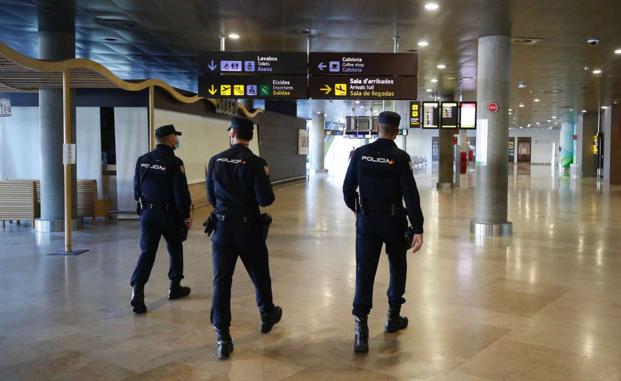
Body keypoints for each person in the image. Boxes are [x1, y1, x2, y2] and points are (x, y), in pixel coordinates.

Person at [342, 111, 424, 354]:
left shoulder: (360, 154)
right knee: (397, 266)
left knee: (364, 271)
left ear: (377, 127)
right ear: (396, 131)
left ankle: (361, 331)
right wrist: (418, 227)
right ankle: (392, 317)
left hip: (367, 222)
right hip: (393, 222)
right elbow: (411, 195)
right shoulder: (400, 157)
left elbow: (347, 189)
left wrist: (358, 209)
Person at [205, 116, 282, 360]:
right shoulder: (256, 163)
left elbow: (210, 197)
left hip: (223, 230)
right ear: (250, 136)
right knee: (260, 275)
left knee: (221, 281)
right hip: (248, 230)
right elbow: (265, 200)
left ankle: (223, 336)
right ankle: (267, 315)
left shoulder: (215, 160)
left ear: (232, 133)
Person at [130, 124, 193, 314]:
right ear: (171, 138)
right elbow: (180, 194)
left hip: (147, 214)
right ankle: (175, 287)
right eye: (176, 137)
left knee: (147, 252)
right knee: (175, 247)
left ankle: (137, 290)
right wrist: (186, 216)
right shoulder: (174, 162)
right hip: (168, 214)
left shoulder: (142, 160)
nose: (177, 140)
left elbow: (136, 190)